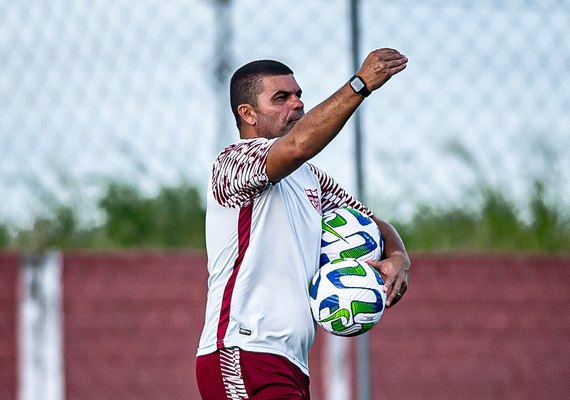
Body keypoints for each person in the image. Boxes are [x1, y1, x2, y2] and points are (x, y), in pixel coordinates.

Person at [196, 48, 411, 399]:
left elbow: (374, 223)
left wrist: (399, 255)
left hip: (290, 361)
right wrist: (359, 85)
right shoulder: (233, 163)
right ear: (247, 113)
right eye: (281, 98)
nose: (296, 104)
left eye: (298, 95)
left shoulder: (310, 178)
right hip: (242, 351)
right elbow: (297, 146)